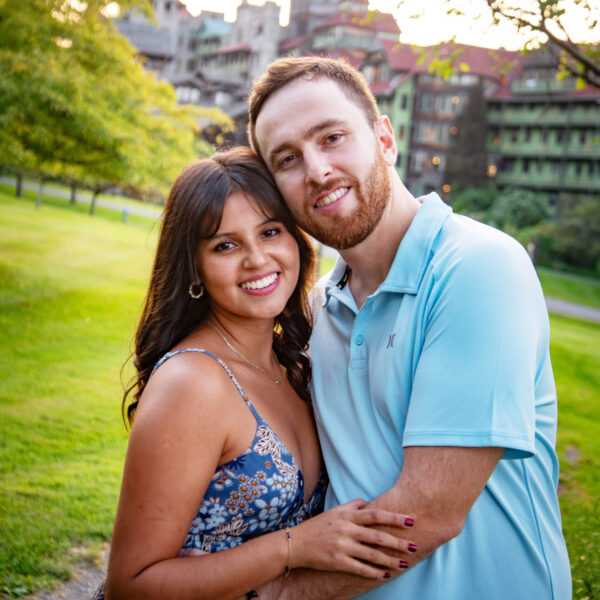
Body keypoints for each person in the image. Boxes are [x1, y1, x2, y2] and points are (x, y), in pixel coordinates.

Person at [245, 56, 572, 599]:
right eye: (287, 159)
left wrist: (266, 595)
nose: (317, 170)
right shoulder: (321, 304)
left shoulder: (477, 267)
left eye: (331, 137)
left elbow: (425, 516)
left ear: (385, 139)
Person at [99, 147, 417, 600]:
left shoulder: (296, 363)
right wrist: (295, 547)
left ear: (296, 240)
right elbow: (131, 586)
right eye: (225, 245)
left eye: (270, 232)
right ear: (195, 266)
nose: (256, 259)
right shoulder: (193, 384)